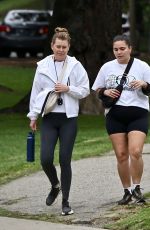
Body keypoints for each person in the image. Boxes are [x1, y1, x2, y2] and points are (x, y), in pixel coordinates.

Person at [27, 27, 90, 215]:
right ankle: (55, 185)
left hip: (68, 119)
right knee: (46, 159)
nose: (61, 49)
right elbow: (36, 91)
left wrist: (68, 88)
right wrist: (33, 115)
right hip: (49, 117)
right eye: (58, 46)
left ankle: (65, 201)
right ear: (52, 46)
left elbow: (85, 89)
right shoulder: (43, 66)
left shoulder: (76, 66)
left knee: (65, 159)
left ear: (68, 47)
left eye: (64, 46)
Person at [92, 34, 150, 205]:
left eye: (122, 48)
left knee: (136, 151)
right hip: (114, 116)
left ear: (130, 48)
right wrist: (105, 92)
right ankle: (126, 191)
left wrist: (144, 84)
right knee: (121, 155)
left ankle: (137, 187)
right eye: (116, 49)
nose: (119, 52)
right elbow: (97, 89)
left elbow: (149, 87)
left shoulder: (142, 66)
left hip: (138, 113)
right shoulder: (107, 68)